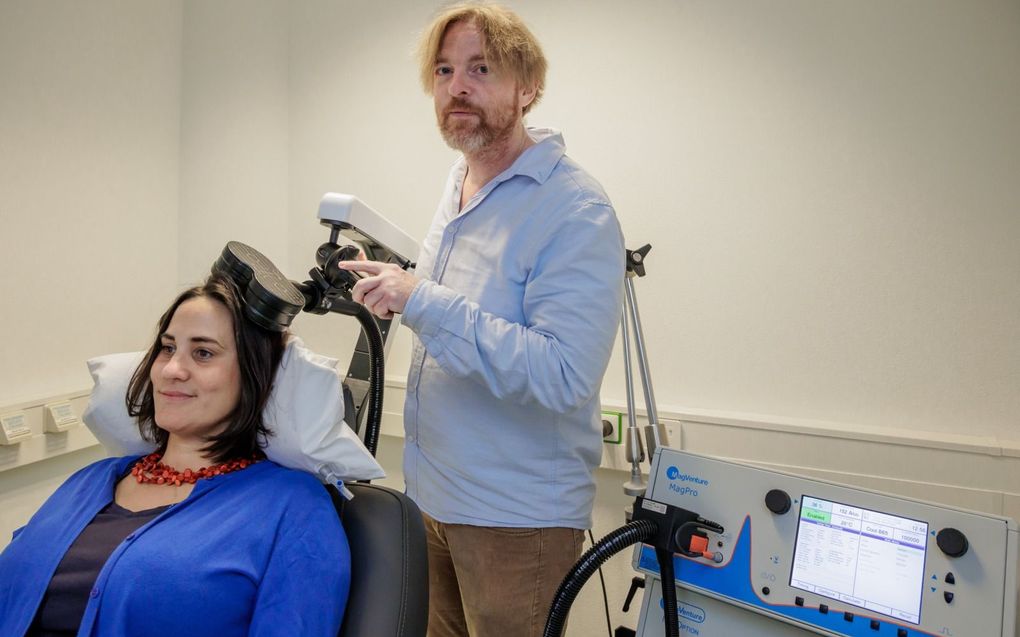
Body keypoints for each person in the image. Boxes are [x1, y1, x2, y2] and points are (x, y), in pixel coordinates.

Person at [338, 3, 626, 635]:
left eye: (480, 68)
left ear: (528, 88)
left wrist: (422, 300)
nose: (456, 86)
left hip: (514, 523)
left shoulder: (574, 208)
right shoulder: (461, 181)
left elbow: (563, 373)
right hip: (432, 501)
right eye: (444, 70)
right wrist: (394, 288)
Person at [0, 275, 349, 637]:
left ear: (253, 374)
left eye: (203, 353)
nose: (170, 370)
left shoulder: (293, 508)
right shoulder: (89, 481)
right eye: (167, 348)